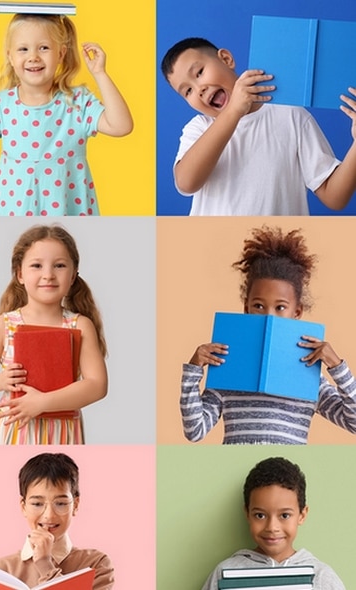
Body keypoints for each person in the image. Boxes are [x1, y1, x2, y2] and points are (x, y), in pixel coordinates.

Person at [182, 226, 356, 444]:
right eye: (258, 306)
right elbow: (195, 430)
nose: (269, 316)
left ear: (297, 312)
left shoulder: (310, 378)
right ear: (246, 308)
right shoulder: (229, 369)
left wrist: (337, 366)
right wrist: (193, 370)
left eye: (280, 307)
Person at [0, 14, 132, 216]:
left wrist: (100, 73)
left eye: (44, 48)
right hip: (15, 214)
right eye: (23, 49)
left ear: (61, 54)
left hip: (68, 214)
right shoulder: (0, 104)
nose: (33, 57)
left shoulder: (77, 102)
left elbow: (121, 126)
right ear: (10, 57)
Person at [161, 37, 356, 215]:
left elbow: (335, 197)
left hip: (273, 248)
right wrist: (234, 111)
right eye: (187, 91)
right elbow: (186, 183)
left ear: (226, 59)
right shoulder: (199, 128)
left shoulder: (290, 115)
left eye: (200, 73)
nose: (199, 89)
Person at [0, 225, 107, 444]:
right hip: (14, 430)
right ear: (20, 274)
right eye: (36, 265)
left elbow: (97, 385)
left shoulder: (80, 325)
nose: (48, 275)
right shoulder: (3, 326)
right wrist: (0, 380)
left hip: (62, 433)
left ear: (73, 275)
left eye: (60, 266)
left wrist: (43, 402)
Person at [200, 457, 345, 590]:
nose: (272, 528)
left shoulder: (321, 576)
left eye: (284, 515)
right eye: (260, 515)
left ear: (302, 515)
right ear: (247, 514)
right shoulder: (225, 572)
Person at [0, 453, 113, 588]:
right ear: (23, 506)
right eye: (37, 504)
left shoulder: (95, 563)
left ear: (75, 505)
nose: (49, 515)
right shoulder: (2, 569)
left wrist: (45, 565)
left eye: (60, 503)